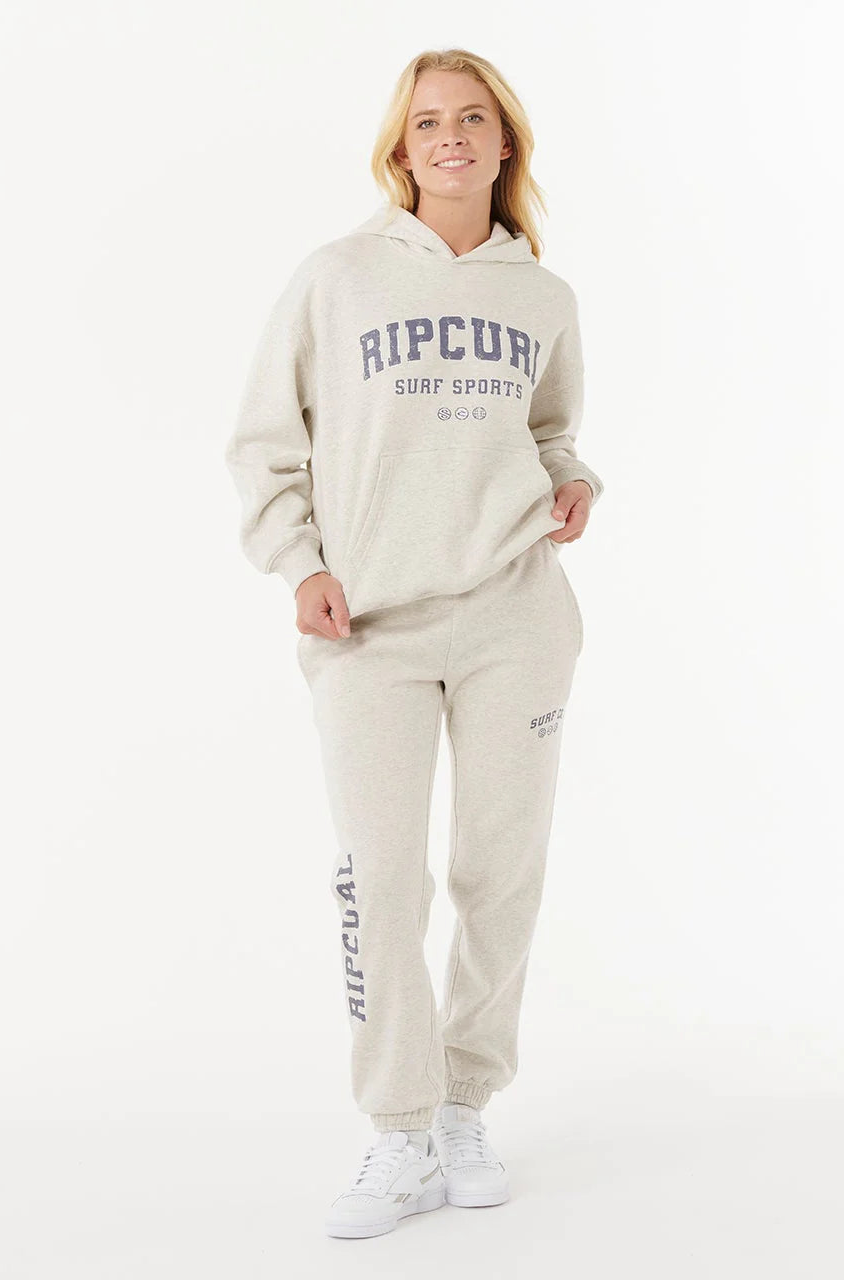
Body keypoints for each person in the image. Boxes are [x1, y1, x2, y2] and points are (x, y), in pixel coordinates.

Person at [224, 48, 604, 1239]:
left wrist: (574, 479)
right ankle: (397, 1125)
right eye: (428, 120)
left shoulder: (542, 296)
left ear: (504, 143)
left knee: (501, 870)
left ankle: (462, 1103)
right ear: (402, 149)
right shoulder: (337, 277)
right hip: (370, 626)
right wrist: (300, 562)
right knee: (380, 874)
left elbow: (551, 432)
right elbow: (264, 441)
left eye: (472, 118)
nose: (450, 136)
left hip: (513, 616)